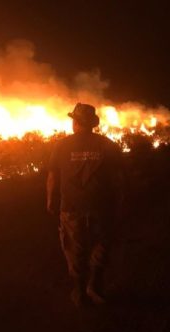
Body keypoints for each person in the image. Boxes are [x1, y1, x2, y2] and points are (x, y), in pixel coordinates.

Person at [47, 103, 125, 308]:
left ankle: (79, 291)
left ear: (76, 122)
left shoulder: (61, 145)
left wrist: (50, 200)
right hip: (102, 206)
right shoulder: (108, 145)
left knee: (74, 248)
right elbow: (118, 178)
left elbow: (52, 176)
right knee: (102, 244)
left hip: (71, 207)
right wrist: (120, 202)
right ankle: (95, 286)